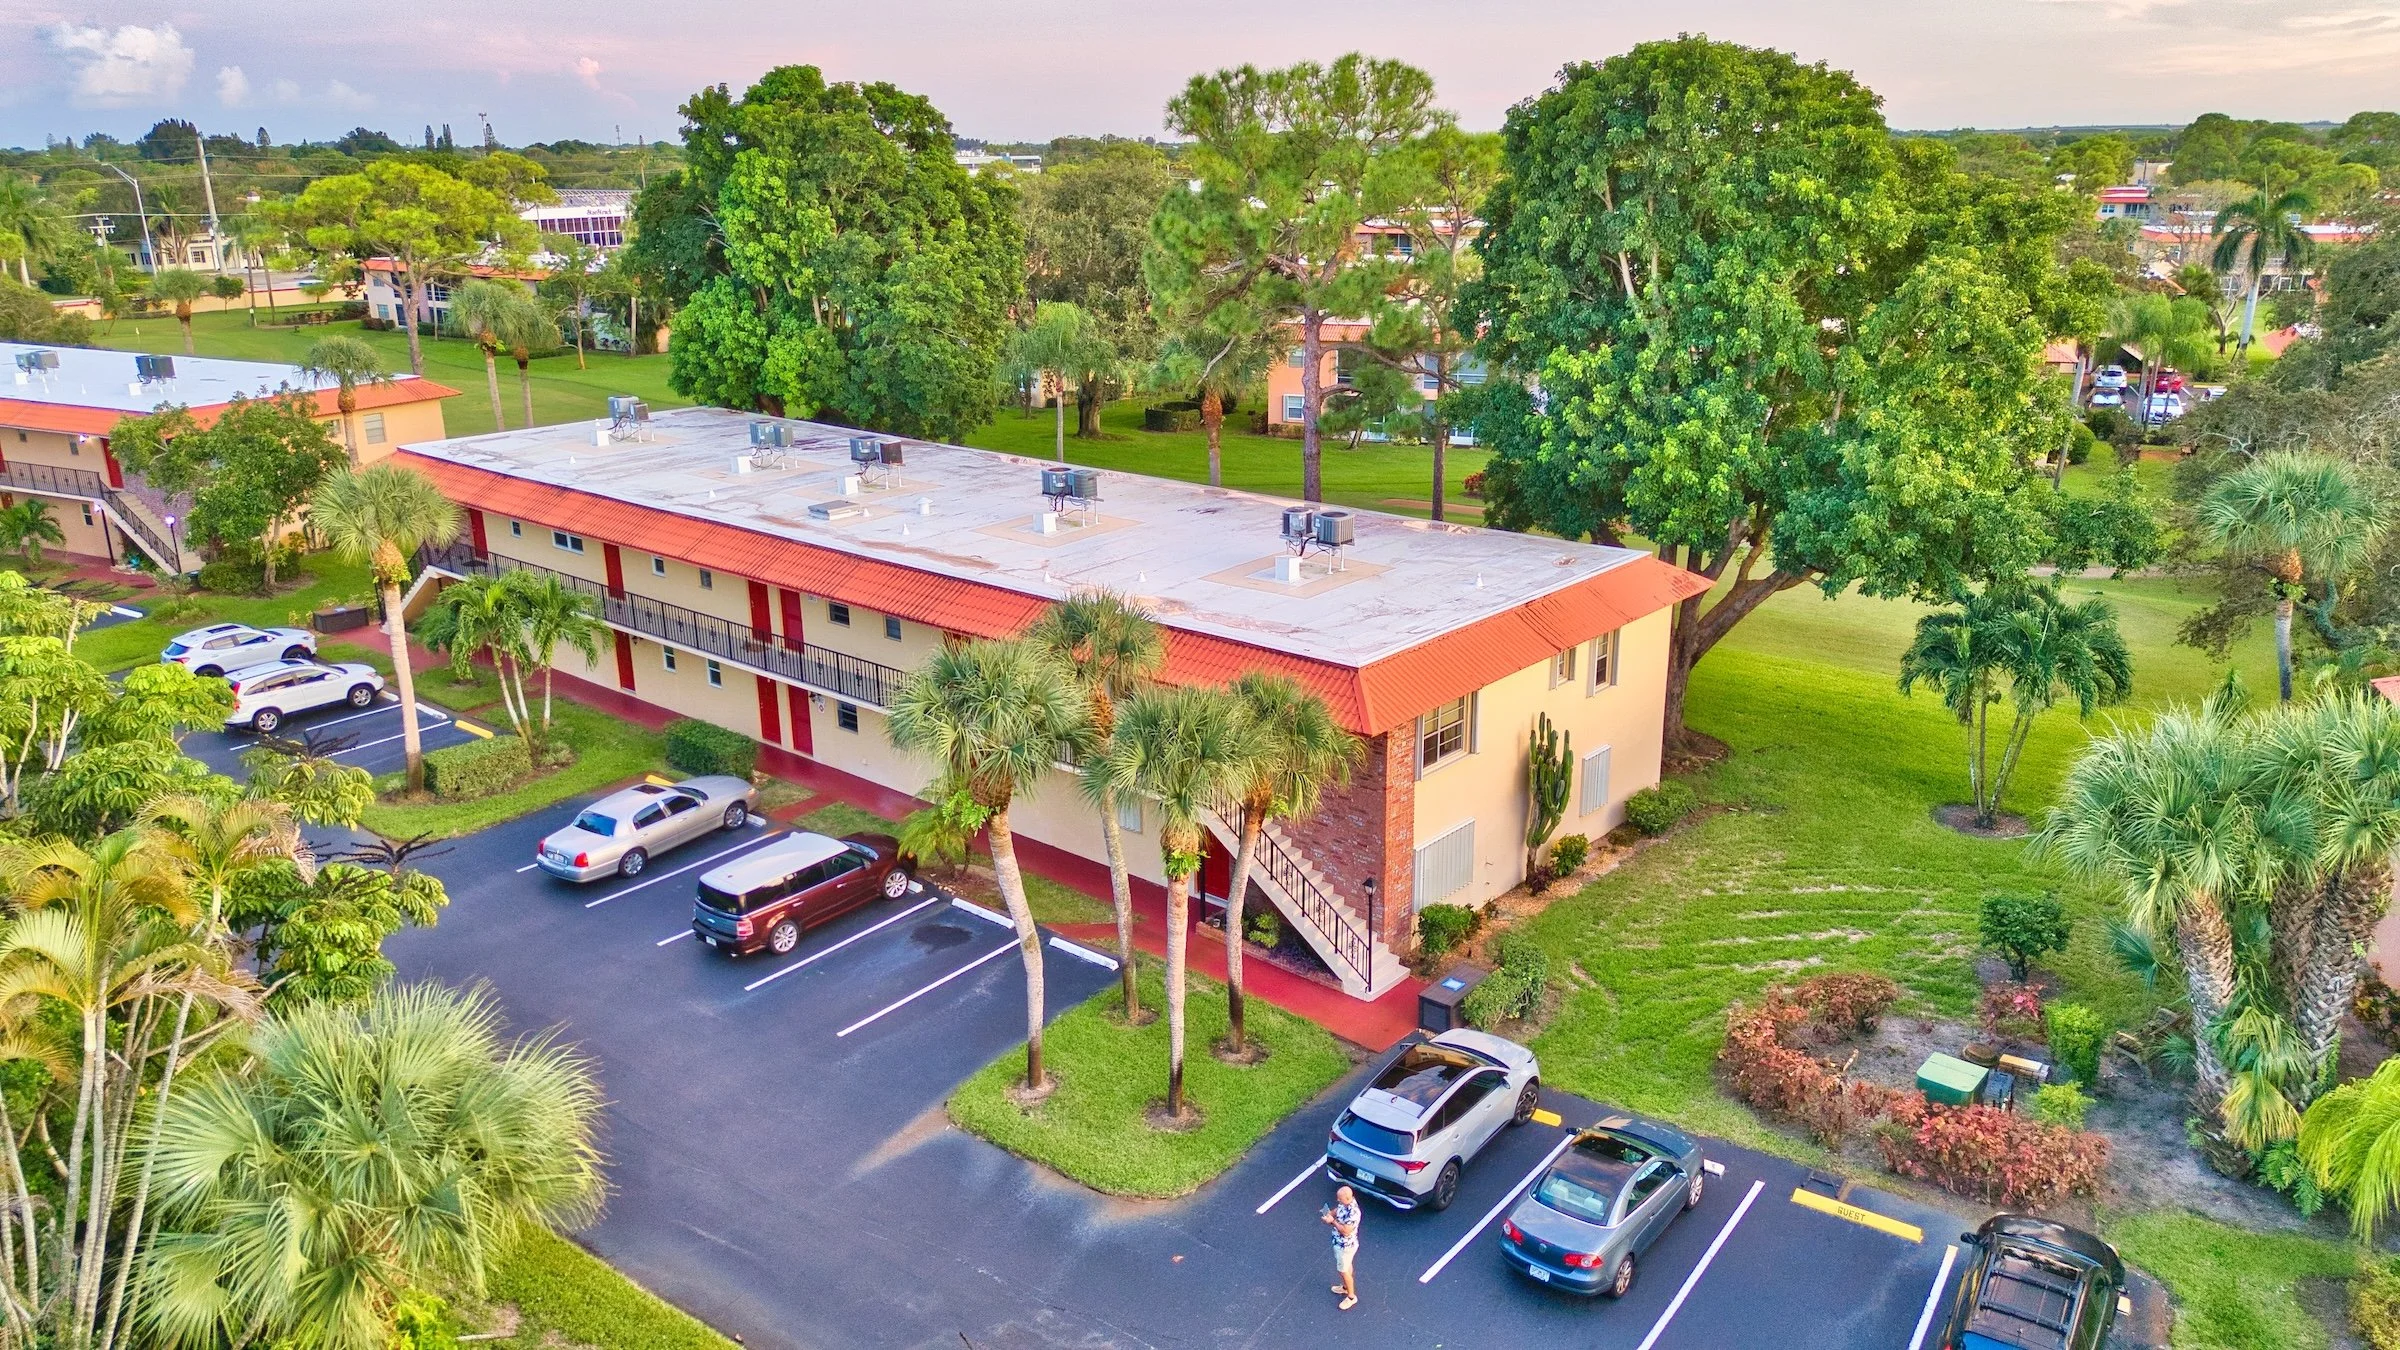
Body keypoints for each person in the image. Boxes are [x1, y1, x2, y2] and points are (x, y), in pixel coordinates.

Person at [1321, 1186, 1361, 1311]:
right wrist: (1329, 1214)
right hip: (1341, 1243)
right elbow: (1338, 1209)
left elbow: (1346, 1231)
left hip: (1345, 1246)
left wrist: (1332, 1221)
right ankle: (1345, 1287)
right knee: (1347, 1266)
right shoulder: (1346, 1203)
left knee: (1343, 1270)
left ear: (1348, 1198)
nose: (1338, 1199)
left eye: (1340, 1198)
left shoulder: (1353, 1213)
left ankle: (1351, 1296)